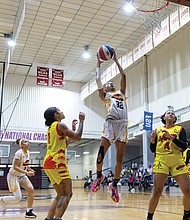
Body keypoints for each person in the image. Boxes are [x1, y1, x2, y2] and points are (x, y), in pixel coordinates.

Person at [91, 49, 128, 203]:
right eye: (107, 84)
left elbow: (124, 76)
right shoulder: (105, 96)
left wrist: (116, 61)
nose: (109, 83)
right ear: (105, 89)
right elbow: (98, 80)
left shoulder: (121, 93)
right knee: (101, 153)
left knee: (119, 161)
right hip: (110, 124)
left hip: (123, 126)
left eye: (110, 83)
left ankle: (114, 185)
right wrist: (98, 63)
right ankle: (100, 176)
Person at [147, 109, 190, 220]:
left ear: (175, 118)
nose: (171, 114)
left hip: (177, 159)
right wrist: (152, 140)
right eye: (168, 113)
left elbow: (184, 146)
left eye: (173, 114)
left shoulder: (180, 129)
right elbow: (153, 149)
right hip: (161, 159)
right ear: (164, 117)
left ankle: (186, 215)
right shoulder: (157, 130)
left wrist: (171, 138)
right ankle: (149, 217)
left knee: (188, 190)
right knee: (157, 191)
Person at [43, 107, 85, 220]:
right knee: (67, 194)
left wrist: (72, 128)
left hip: (48, 162)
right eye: (60, 110)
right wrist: (82, 121)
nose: (62, 111)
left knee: (60, 194)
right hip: (57, 162)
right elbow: (78, 137)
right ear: (56, 115)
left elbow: (64, 144)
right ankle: (58, 218)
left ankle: (49, 218)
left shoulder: (51, 128)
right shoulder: (59, 125)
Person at [0, 138, 37, 218]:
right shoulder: (18, 153)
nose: (28, 142)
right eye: (25, 142)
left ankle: (29, 211)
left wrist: (30, 169)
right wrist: (27, 173)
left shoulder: (28, 152)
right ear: (21, 145)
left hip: (22, 175)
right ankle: (1, 199)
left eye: (28, 141)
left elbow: (25, 164)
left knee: (31, 190)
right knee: (17, 198)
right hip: (13, 176)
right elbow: (15, 167)